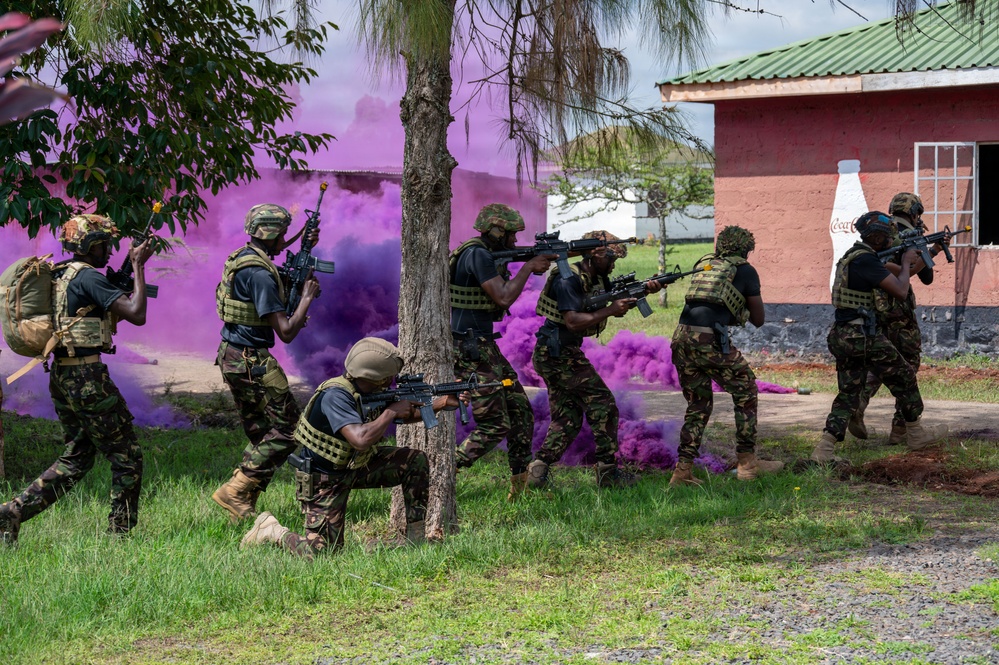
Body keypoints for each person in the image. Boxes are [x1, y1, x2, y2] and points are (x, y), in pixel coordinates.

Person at [0, 214, 154, 544]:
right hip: (87, 378)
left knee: (78, 455)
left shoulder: (59, 274)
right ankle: (119, 537)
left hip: (63, 375)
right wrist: (139, 266)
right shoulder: (89, 278)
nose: (109, 252)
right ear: (88, 245)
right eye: (104, 245)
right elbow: (138, 314)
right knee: (127, 456)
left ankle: (13, 511)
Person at [240, 337, 462, 558]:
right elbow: (360, 439)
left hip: (358, 465)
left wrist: (441, 403)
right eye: (390, 377)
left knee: (415, 461)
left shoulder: (369, 391)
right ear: (379, 378)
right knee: (322, 554)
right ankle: (271, 530)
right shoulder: (335, 396)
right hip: (324, 479)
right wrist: (392, 411)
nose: (392, 380)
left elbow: (405, 412)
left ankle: (416, 539)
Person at [211, 203, 321, 522]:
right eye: (282, 234)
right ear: (270, 233)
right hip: (251, 360)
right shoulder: (259, 274)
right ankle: (234, 490)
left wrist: (306, 246)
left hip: (233, 354)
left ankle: (241, 505)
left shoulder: (244, 258)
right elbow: (286, 331)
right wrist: (306, 297)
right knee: (289, 430)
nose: (284, 239)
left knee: (262, 433)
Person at [812, 211, 948, 464]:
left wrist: (926, 255)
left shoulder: (855, 256)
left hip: (843, 334)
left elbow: (902, 273)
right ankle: (915, 434)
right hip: (863, 336)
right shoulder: (867, 261)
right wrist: (907, 262)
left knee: (849, 392)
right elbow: (900, 289)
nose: (890, 242)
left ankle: (824, 448)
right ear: (877, 239)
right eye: (887, 238)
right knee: (905, 376)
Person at [527, 231, 647, 489]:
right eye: (612, 258)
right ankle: (608, 474)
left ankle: (537, 472)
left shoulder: (592, 277)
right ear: (596, 253)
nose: (614, 265)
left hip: (557, 352)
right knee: (604, 405)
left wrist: (633, 296)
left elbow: (594, 307)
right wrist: (611, 310)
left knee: (567, 418)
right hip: (558, 353)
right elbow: (572, 321)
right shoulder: (567, 278)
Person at [449, 203, 551, 500]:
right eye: (511, 236)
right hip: (469, 348)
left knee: (521, 412)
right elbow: (504, 297)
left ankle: (517, 492)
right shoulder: (477, 254)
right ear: (496, 231)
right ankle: (443, 471)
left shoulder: (482, 252)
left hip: (482, 345)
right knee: (495, 424)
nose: (515, 242)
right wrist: (530, 267)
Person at [669, 225, 782, 486]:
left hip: (682, 337)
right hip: (709, 340)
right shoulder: (745, 270)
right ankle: (746, 464)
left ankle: (682, 471)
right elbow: (758, 319)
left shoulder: (706, 265)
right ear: (745, 249)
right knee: (745, 393)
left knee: (698, 405)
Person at [850, 193, 948, 444]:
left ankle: (857, 405)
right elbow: (924, 276)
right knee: (907, 364)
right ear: (915, 211)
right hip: (898, 310)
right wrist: (934, 250)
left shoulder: (879, 231)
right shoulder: (911, 235)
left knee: (881, 361)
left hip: (873, 307)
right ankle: (901, 428)